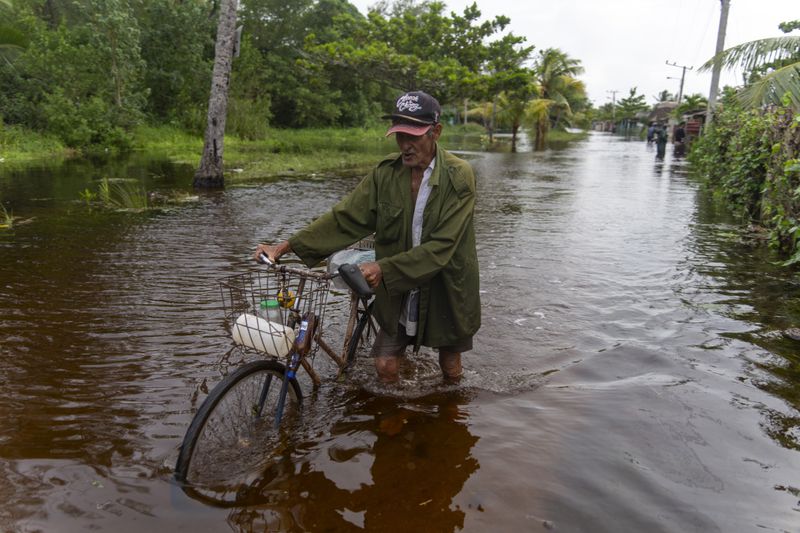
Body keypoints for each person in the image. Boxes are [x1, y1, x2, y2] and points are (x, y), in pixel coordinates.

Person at [254, 90, 481, 383]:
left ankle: (447, 423)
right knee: (385, 365)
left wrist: (382, 267)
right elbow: (346, 217)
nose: (405, 145)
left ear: (436, 132)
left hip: (445, 285)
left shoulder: (458, 176)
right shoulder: (386, 173)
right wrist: (285, 246)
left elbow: (442, 246)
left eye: (414, 136)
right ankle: (393, 422)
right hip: (396, 286)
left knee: (450, 367)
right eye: (400, 135)